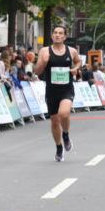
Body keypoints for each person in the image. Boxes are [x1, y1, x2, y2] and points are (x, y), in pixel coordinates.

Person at [33, 24, 82, 162]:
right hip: (51, 90)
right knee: (54, 122)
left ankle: (65, 135)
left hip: (66, 89)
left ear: (65, 37)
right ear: (52, 35)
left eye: (60, 33)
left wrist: (75, 69)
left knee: (64, 114)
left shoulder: (71, 51)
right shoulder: (44, 51)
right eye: (55, 32)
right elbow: (37, 72)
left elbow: (78, 62)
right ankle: (59, 147)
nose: (57, 35)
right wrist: (43, 62)